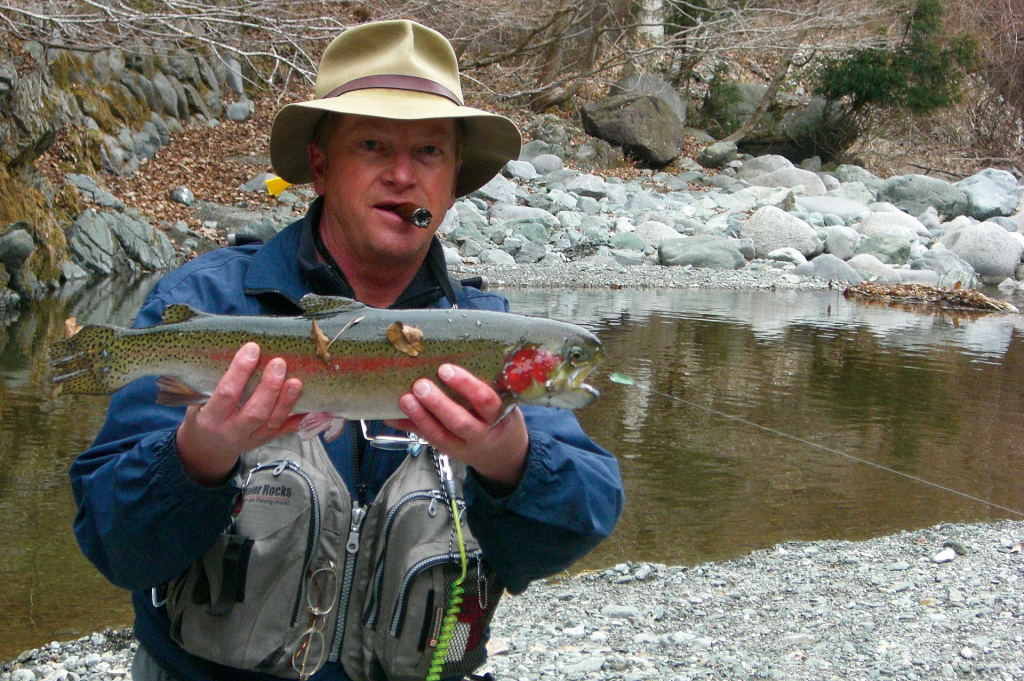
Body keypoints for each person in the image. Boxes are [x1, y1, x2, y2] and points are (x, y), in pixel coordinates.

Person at [70, 19, 624, 681]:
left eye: (428, 152)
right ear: (320, 164)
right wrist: (197, 456)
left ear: (453, 182)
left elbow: (576, 524)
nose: (401, 174)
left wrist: (510, 460)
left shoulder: (489, 332)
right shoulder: (208, 303)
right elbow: (112, 543)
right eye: (372, 145)